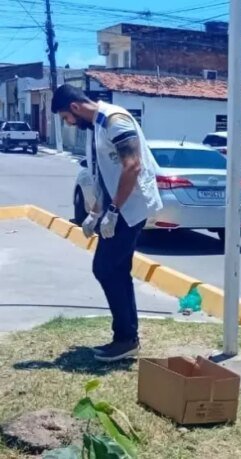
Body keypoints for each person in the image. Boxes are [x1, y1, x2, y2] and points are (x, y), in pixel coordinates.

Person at [51, 85, 162, 363]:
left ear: (75, 108)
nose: (69, 123)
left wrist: (113, 211)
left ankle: (126, 338)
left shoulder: (115, 120)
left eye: (66, 118)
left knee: (105, 267)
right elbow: (104, 175)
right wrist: (96, 212)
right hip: (119, 207)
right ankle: (126, 337)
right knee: (117, 269)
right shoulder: (97, 127)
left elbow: (132, 166)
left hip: (130, 207)